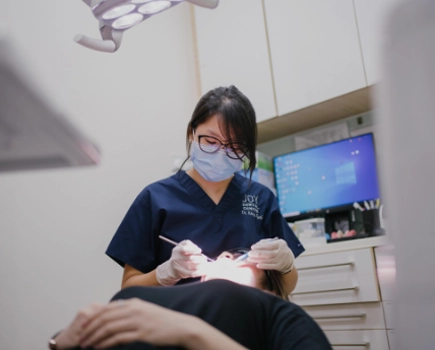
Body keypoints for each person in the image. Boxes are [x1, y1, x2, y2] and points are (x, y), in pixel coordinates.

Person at [106, 85, 304, 294]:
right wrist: (165, 274)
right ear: (192, 132)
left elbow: (286, 287)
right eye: (210, 141)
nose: (221, 153)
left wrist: (286, 266)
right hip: (179, 324)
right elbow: (128, 289)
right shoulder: (155, 199)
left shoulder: (260, 199)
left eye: (235, 148)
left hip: (248, 322)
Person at [49, 250, 332, 350]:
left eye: (238, 255)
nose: (224, 255)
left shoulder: (277, 314)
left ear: (269, 291)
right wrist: (60, 342)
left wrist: (192, 333)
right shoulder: (163, 298)